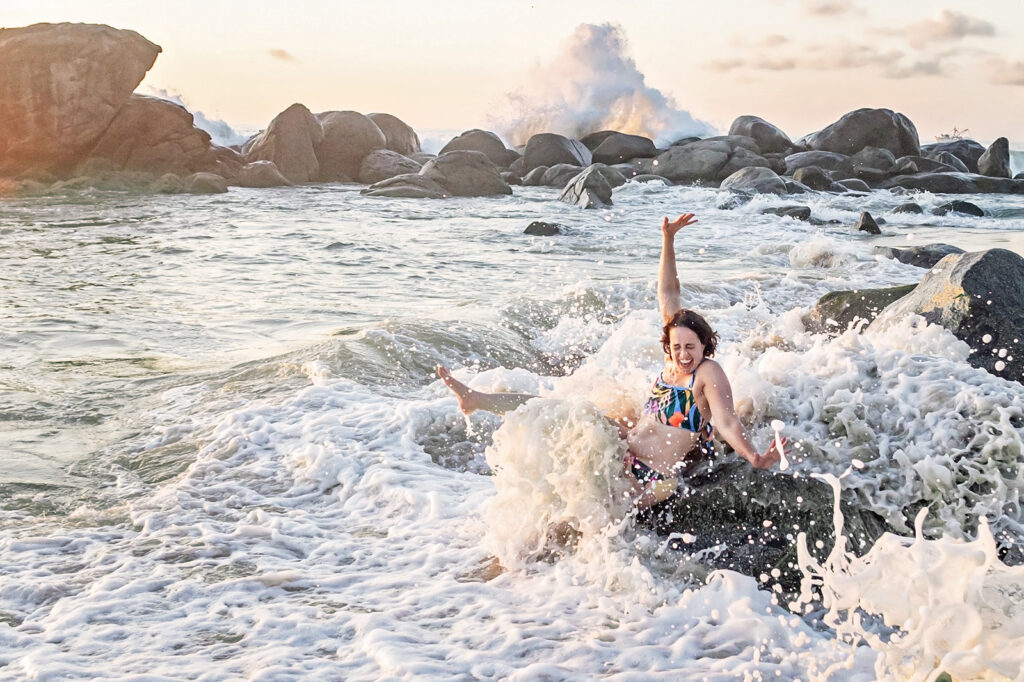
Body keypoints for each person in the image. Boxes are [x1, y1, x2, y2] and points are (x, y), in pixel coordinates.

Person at [438, 213, 786, 509]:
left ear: (705, 344)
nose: (683, 355)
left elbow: (726, 420)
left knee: (591, 515)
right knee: (561, 411)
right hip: (624, 449)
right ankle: (477, 400)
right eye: (677, 346)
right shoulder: (672, 358)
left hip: (655, 478)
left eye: (691, 347)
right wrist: (667, 239)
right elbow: (667, 292)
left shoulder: (707, 373)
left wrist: (754, 456)